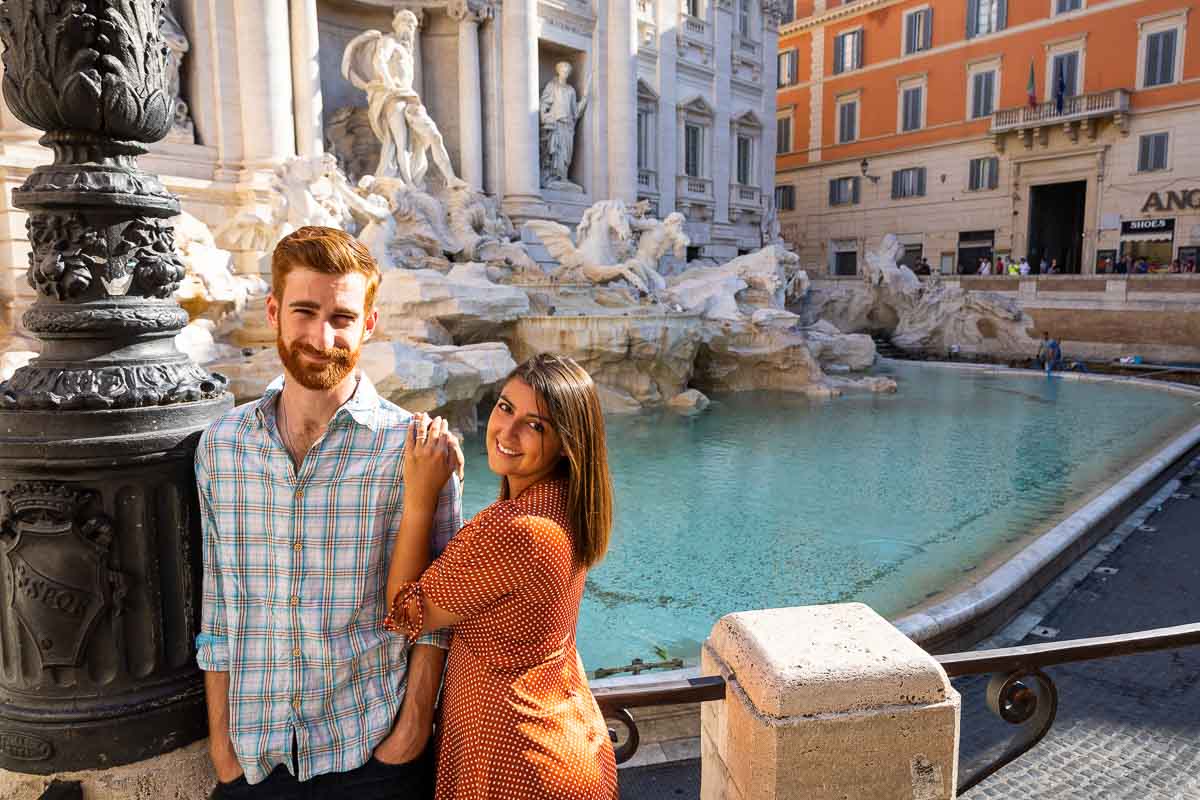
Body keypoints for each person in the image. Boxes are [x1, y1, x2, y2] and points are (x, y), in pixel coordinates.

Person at [195, 226, 463, 798]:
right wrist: (221, 745)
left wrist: (411, 731)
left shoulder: (414, 449)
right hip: (253, 754)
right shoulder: (221, 445)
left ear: (368, 324)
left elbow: (439, 614)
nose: (321, 335)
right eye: (304, 311)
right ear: (273, 311)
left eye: (341, 317)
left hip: (370, 750)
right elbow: (219, 602)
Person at [384, 354, 618, 800]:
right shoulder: (569, 502)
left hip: (515, 760)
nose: (507, 432)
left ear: (567, 444)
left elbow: (403, 612)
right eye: (506, 407)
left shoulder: (517, 529)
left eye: (535, 425)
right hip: (568, 741)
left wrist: (420, 496)